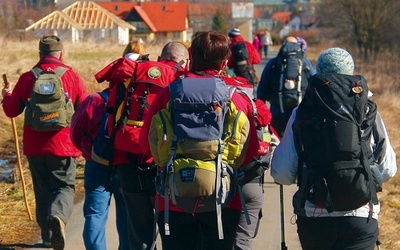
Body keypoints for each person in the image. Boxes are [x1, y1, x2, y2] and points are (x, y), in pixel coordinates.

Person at [139, 31, 262, 250]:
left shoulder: (167, 94)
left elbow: (145, 144)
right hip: (223, 199)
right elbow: (249, 149)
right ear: (224, 63)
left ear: (190, 59)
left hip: (173, 197)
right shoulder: (235, 97)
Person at [270, 48, 397, 250]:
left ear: (318, 73)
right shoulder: (368, 111)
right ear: (351, 72)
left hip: (315, 218)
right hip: (360, 217)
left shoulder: (302, 112)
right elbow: (388, 168)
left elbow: (282, 173)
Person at [94, 41, 190, 250]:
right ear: (185, 60)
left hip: (127, 159)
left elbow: (111, 111)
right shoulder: (181, 79)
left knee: (139, 233)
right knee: (169, 229)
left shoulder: (135, 70)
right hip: (163, 163)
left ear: (160, 56)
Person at [1, 35, 88, 249]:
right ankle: (58, 216)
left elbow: (12, 110)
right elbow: (85, 110)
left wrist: (6, 95)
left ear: (39, 54)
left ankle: (48, 238)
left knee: (41, 191)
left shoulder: (27, 77)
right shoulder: (71, 76)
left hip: (35, 147)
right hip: (64, 145)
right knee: (65, 187)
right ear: (61, 54)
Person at [257, 36, 315, 137]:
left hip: (277, 110)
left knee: (278, 141)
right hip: (300, 111)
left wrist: (261, 110)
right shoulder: (305, 63)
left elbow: (262, 88)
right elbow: (314, 83)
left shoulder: (273, 63)